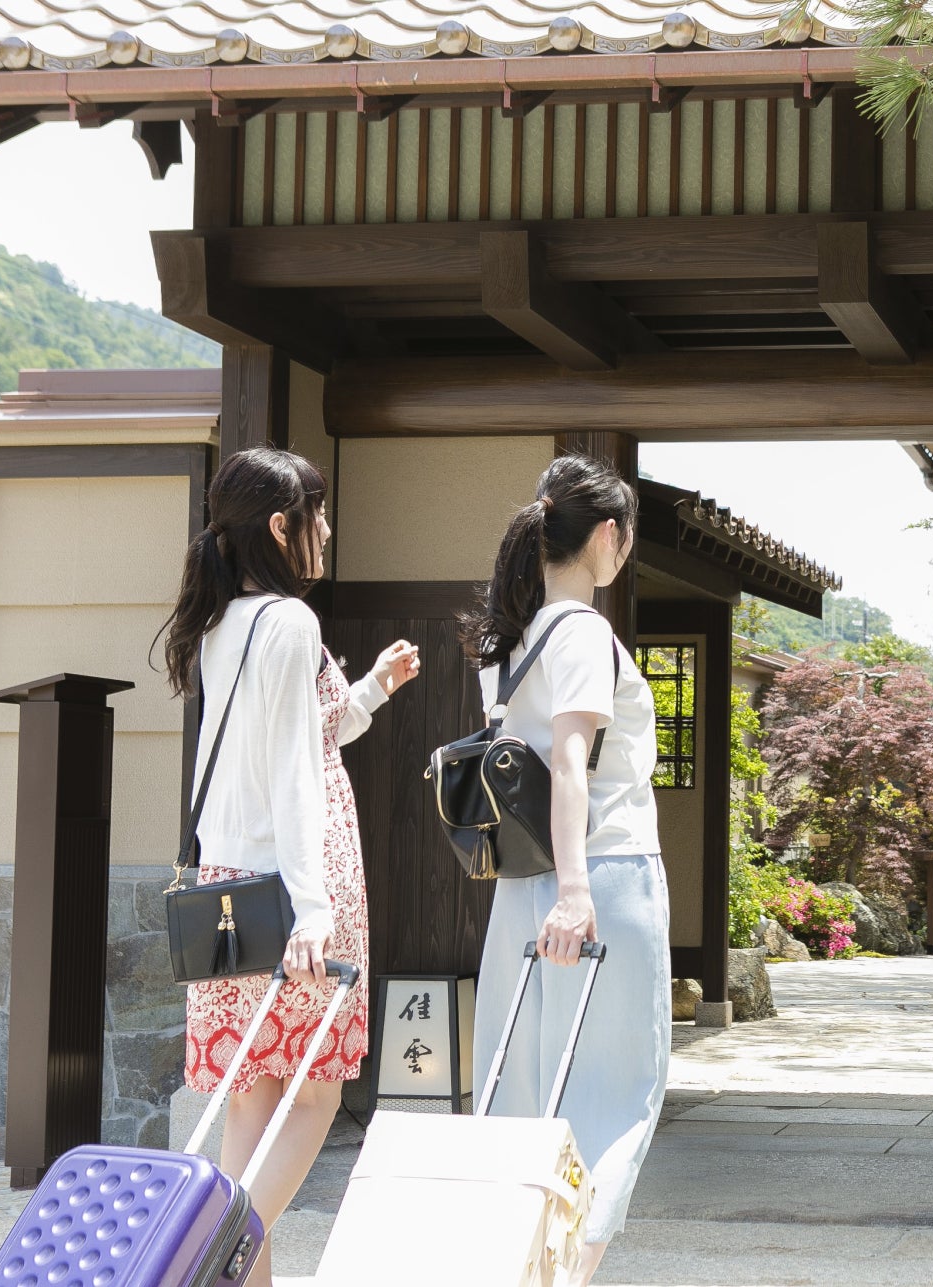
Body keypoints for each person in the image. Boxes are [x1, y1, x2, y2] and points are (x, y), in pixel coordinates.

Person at [158, 446, 420, 1287]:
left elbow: (302, 735)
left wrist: (371, 688)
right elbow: (299, 775)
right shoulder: (293, 623)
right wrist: (315, 911)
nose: (329, 529)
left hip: (226, 882)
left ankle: (237, 1272)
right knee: (314, 1092)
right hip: (304, 881)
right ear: (282, 526)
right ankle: (217, 1254)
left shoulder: (218, 623)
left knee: (252, 1092)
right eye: (318, 512)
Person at [462, 453, 671, 1287]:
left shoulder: (507, 641)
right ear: (609, 537)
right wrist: (580, 894)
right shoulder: (583, 630)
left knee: (524, 1098)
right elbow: (573, 762)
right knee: (608, 1101)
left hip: (522, 890)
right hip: (601, 880)